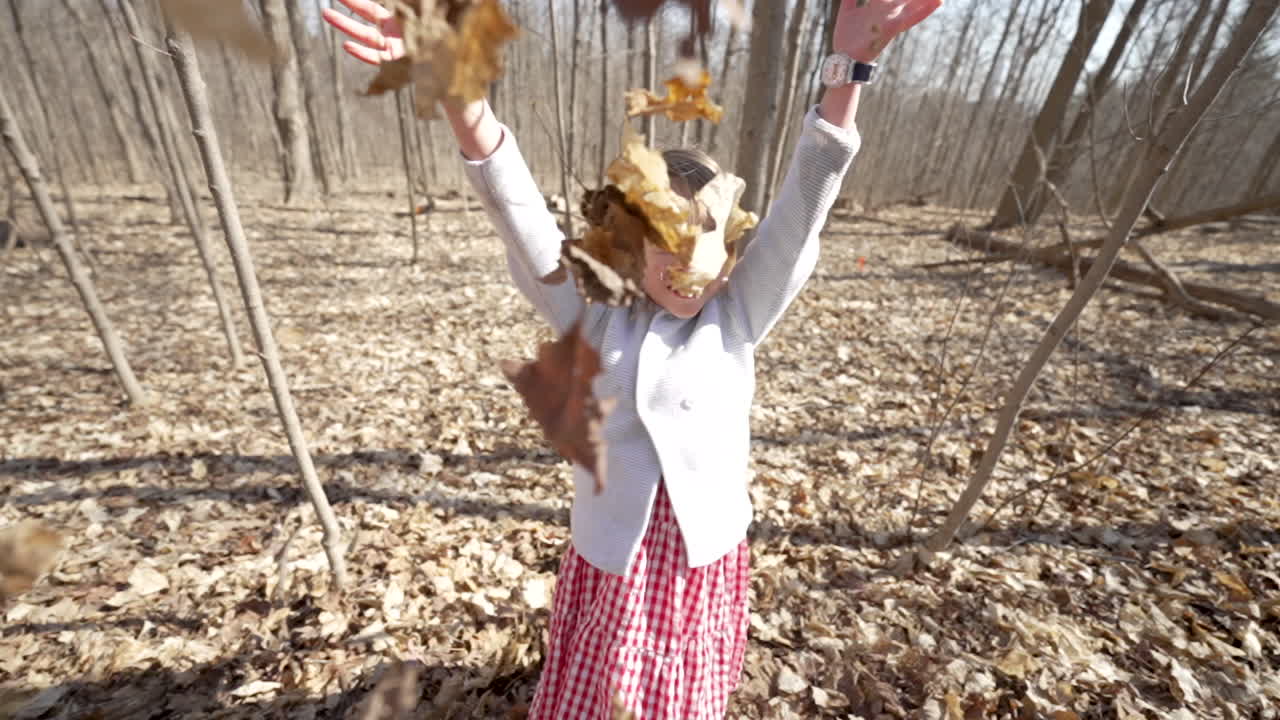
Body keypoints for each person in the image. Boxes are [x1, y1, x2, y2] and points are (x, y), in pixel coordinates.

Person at [325, 1, 941, 717]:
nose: (690, 272)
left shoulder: (736, 314)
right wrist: (464, 96)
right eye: (666, 248)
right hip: (614, 564)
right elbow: (517, 211)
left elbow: (805, 206)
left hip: (698, 568)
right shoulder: (593, 308)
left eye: (706, 250)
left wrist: (847, 74)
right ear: (630, 239)